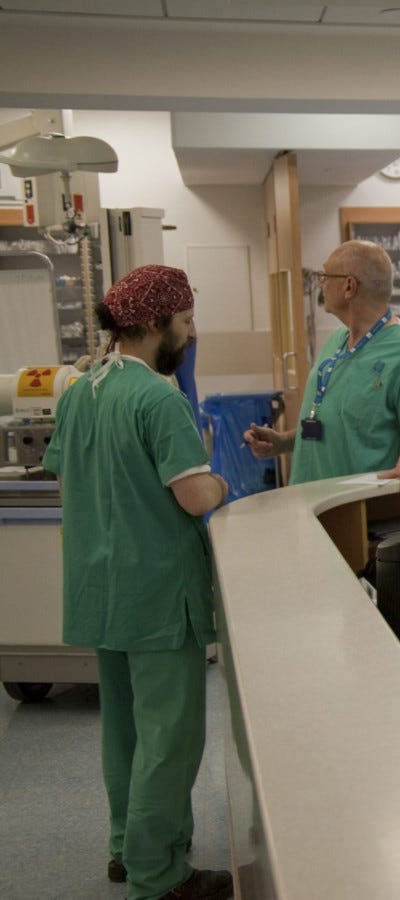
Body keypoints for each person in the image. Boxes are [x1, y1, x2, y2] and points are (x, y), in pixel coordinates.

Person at [42, 265, 234, 900]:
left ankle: (127, 847)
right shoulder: (158, 398)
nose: (191, 334)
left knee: (123, 730)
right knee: (169, 738)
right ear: (154, 323)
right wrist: (221, 482)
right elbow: (192, 495)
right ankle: (159, 875)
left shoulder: (80, 392)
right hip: (157, 595)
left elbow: (67, 479)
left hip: (102, 591)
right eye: (185, 321)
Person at [243, 240, 400, 490]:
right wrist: (282, 442)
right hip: (308, 498)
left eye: (325, 276)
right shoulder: (337, 342)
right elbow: (333, 425)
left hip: (358, 506)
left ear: (349, 286)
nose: (321, 283)